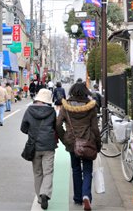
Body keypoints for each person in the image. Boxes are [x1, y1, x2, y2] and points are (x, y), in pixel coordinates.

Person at [56, 82, 101, 210]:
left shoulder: (66, 106)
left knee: (76, 169)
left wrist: (64, 138)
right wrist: (98, 144)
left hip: (72, 142)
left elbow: (58, 125)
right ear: (85, 92)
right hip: (88, 142)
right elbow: (95, 128)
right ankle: (86, 195)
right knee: (87, 170)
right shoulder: (91, 107)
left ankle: (77, 198)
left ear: (72, 92)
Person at [21, 89, 57, 210]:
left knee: (37, 173)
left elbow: (23, 128)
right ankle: (45, 193)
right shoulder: (51, 111)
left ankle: (40, 198)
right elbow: (55, 127)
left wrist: (31, 132)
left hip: (34, 146)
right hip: (48, 145)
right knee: (48, 172)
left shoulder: (29, 110)